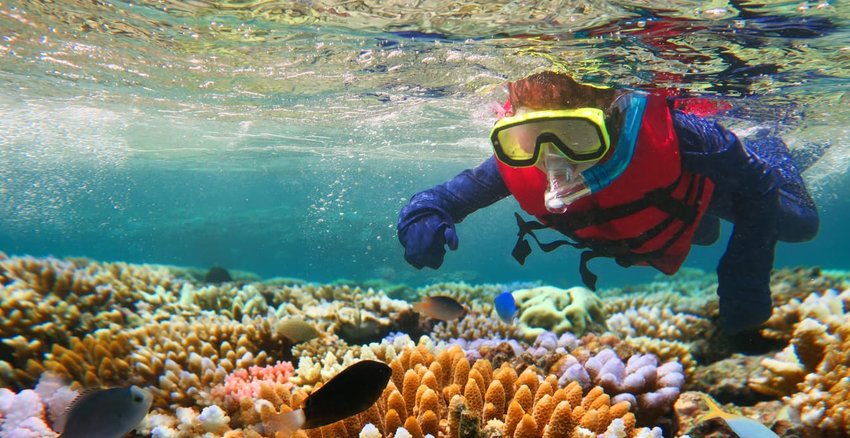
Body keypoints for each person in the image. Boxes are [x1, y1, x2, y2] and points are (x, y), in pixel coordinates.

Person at [396, 71, 819, 335]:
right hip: (666, 214)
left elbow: (757, 187)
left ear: (614, 117)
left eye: (577, 136)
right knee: (703, 235)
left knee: (800, 224)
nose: (552, 158)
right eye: (529, 139)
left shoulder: (685, 136)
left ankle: (770, 143)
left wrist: (743, 278)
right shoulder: (515, 165)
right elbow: (444, 197)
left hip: (696, 184)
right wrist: (421, 214)